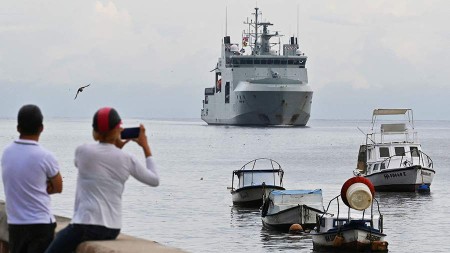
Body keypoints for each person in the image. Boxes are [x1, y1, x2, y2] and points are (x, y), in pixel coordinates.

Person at [45, 107, 160, 253]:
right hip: (112, 229)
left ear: (95, 131)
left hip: (85, 226)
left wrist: (113, 147)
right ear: (118, 130)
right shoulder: (127, 159)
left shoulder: (83, 151)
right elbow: (154, 180)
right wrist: (145, 146)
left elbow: (87, 162)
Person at [1, 104, 63, 253]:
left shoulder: (6, 153)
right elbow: (58, 187)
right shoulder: (46, 156)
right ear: (41, 128)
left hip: (15, 224)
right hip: (40, 225)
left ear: (18, 128)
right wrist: (42, 185)